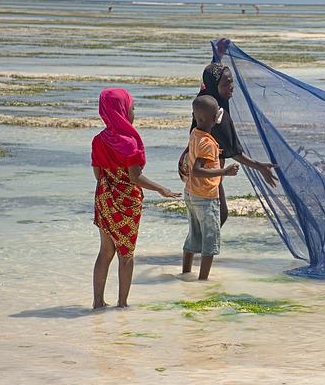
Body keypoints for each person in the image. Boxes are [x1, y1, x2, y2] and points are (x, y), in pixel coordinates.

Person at [92, 88, 181, 309]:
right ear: (121, 111)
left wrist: (111, 185)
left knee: (105, 251)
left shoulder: (98, 140)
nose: (134, 112)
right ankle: (122, 303)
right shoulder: (129, 142)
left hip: (104, 198)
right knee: (126, 253)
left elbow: (97, 174)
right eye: (132, 107)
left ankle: (98, 302)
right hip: (126, 203)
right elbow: (134, 177)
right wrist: (162, 189)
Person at [179, 60, 279, 227]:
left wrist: (217, 57)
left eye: (232, 82)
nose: (231, 87)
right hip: (205, 170)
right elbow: (235, 153)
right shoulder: (216, 116)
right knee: (217, 215)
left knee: (213, 216)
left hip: (193, 162)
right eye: (226, 84)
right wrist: (260, 166)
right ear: (214, 85)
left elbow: (211, 75)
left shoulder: (204, 98)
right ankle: (205, 250)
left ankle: (201, 249)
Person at [182, 95, 240, 279]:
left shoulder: (195, 135)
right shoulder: (208, 143)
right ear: (216, 119)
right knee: (210, 240)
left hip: (191, 194)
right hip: (205, 197)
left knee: (194, 235)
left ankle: (185, 272)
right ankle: (203, 280)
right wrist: (225, 171)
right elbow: (198, 171)